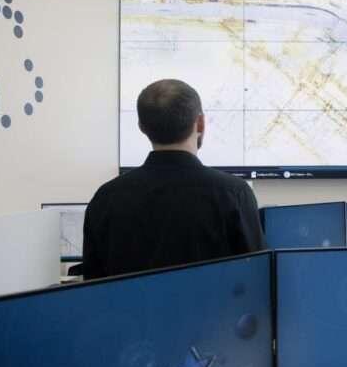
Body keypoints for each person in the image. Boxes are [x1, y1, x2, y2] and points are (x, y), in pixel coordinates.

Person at [83, 79, 266, 279]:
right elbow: (258, 278)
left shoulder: (105, 198)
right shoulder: (234, 194)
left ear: (142, 127)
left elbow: (91, 284)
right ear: (200, 123)